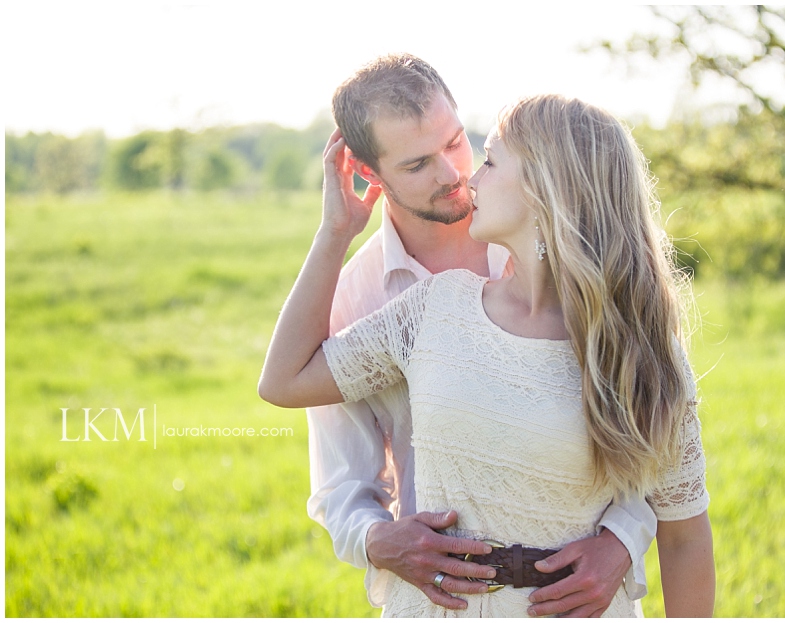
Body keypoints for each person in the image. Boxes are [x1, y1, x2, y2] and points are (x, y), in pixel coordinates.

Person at [259, 90, 714, 616]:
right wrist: (334, 231)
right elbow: (283, 383)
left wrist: (620, 540)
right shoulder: (429, 308)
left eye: (482, 156)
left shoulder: (642, 348)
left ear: (547, 188)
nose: (465, 177)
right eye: (418, 162)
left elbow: (683, 534)